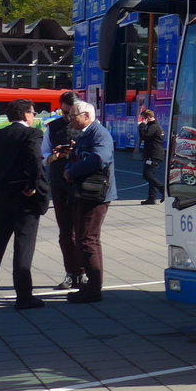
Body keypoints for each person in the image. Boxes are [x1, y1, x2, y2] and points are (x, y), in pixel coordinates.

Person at [0, 99, 49, 310]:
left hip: (1, 196)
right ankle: (24, 296)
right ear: (26, 115)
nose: (34, 117)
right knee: (23, 246)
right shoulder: (31, 134)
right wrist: (33, 184)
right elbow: (35, 158)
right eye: (33, 113)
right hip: (25, 196)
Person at [53, 100, 115, 304]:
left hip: (94, 194)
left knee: (88, 240)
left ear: (87, 116)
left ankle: (94, 289)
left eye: (74, 116)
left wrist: (72, 171)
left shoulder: (99, 133)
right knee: (84, 239)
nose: (70, 120)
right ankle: (91, 286)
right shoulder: (87, 133)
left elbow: (100, 158)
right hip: (85, 193)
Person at [41, 90, 84, 290]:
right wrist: (55, 156)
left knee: (84, 231)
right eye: (66, 113)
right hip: (59, 183)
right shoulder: (53, 127)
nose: (69, 117)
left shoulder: (90, 126)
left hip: (83, 184)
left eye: (72, 113)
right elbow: (44, 157)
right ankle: (71, 272)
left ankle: (83, 272)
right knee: (66, 231)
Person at [137, 109, 165, 204]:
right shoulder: (155, 126)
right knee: (151, 176)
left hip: (153, 155)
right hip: (154, 154)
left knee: (147, 175)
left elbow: (144, 136)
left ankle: (163, 189)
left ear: (147, 118)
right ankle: (151, 198)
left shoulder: (154, 127)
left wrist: (141, 126)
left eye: (143, 119)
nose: (142, 121)